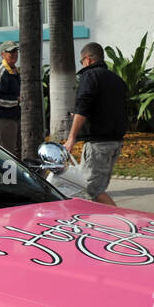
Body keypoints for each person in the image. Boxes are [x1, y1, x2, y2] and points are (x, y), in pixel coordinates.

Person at [59, 42, 128, 206]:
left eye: (82, 61)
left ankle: (120, 222)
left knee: (91, 190)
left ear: (88, 60)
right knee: (96, 189)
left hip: (98, 145)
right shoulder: (117, 80)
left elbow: (83, 107)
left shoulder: (89, 76)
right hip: (115, 142)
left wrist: (71, 138)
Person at [0, 40, 21, 157]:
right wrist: (15, 101)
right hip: (4, 118)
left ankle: (15, 175)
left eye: (15, 51)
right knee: (8, 153)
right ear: (2, 54)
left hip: (14, 116)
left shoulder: (13, 69)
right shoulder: (1, 70)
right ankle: (2, 175)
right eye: (10, 52)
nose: (14, 54)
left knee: (17, 151)